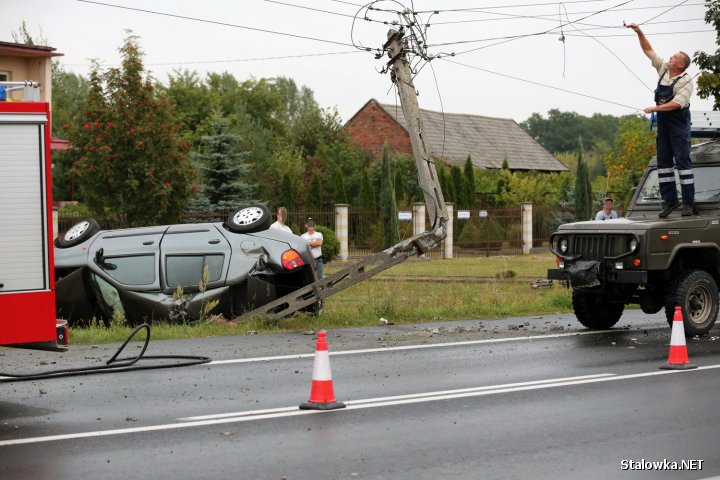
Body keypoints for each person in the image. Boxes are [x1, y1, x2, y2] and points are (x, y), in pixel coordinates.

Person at [626, 22, 697, 217]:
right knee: (663, 163)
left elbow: (676, 104)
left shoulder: (685, 81)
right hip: (664, 127)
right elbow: (648, 50)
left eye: (674, 57)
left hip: (679, 126)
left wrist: (655, 108)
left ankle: (688, 203)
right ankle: (670, 201)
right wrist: (639, 31)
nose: (670, 58)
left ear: (680, 64)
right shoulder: (664, 70)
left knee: (682, 162)